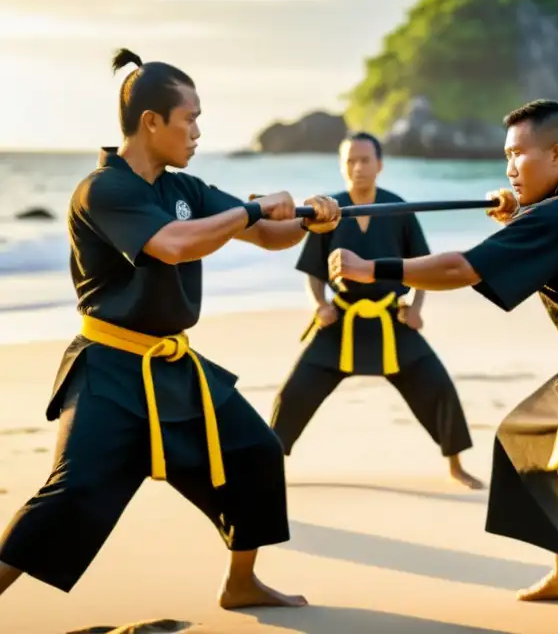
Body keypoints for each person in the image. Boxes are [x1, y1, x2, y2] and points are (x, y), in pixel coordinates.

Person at [328, 100, 558, 633]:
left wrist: (373, 268)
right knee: (524, 438)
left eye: (517, 155)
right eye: (504, 156)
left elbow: (462, 266)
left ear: (557, 154)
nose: (508, 168)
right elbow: (551, 247)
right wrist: (519, 216)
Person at [0, 49, 343, 608]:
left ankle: (241, 583)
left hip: (174, 366)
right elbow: (174, 245)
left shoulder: (187, 190)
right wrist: (255, 211)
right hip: (109, 369)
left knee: (256, 452)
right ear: (151, 122)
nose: (199, 132)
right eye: (190, 118)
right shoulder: (102, 190)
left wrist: (311, 219)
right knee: (71, 493)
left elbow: (266, 236)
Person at [269, 131, 482, 489]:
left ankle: (456, 466)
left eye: (365, 160)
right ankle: (268, 466)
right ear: (341, 166)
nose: (358, 167)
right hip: (342, 320)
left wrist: (416, 307)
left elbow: (424, 266)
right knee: (292, 394)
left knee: (439, 386)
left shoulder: (397, 209)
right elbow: (313, 272)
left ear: (379, 165)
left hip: (390, 320)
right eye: (350, 160)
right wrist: (320, 306)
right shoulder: (327, 213)